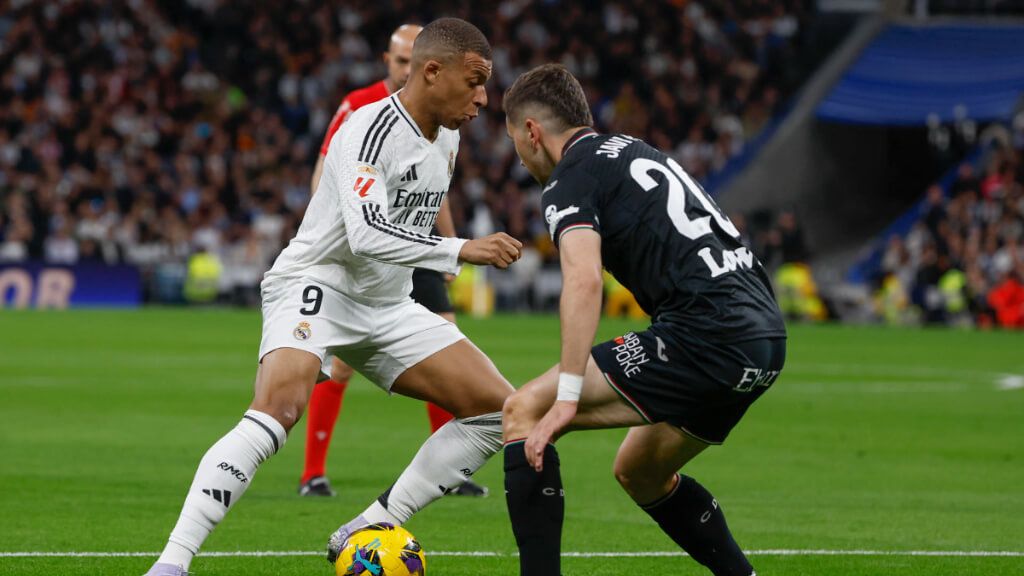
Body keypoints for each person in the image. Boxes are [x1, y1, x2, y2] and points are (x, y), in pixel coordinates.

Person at [144, 18, 519, 576]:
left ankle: (372, 523)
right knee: (278, 410)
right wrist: (460, 250)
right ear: (432, 71)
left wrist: (447, 251)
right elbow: (367, 233)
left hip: (387, 303)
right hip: (317, 284)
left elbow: (411, 218)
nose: (484, 98)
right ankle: (171, 565)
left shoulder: (451, 135)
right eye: (474, 82)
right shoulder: (367, 130)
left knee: (501, 411)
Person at [499, 64, 787, 576]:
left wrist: (567, 398)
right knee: (641, 472)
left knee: (525, 410)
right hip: (764, 337)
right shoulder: (634, 150)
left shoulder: (570, 178)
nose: (520, 159)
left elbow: (584, 281)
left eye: (516, 144)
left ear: (532, 132)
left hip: (706, 333)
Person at [301, 23, 487, 499]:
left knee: (446, 339)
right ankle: (313, 472)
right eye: (400, 61)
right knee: (339, 366)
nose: (406, 69)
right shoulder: (361, 108)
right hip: (369, 243)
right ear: (391, 60)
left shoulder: (445, 121)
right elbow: (329, 172)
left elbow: (434, 189)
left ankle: (450, 468)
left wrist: (450, 245)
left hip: (416, 248)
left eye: (412, 61)